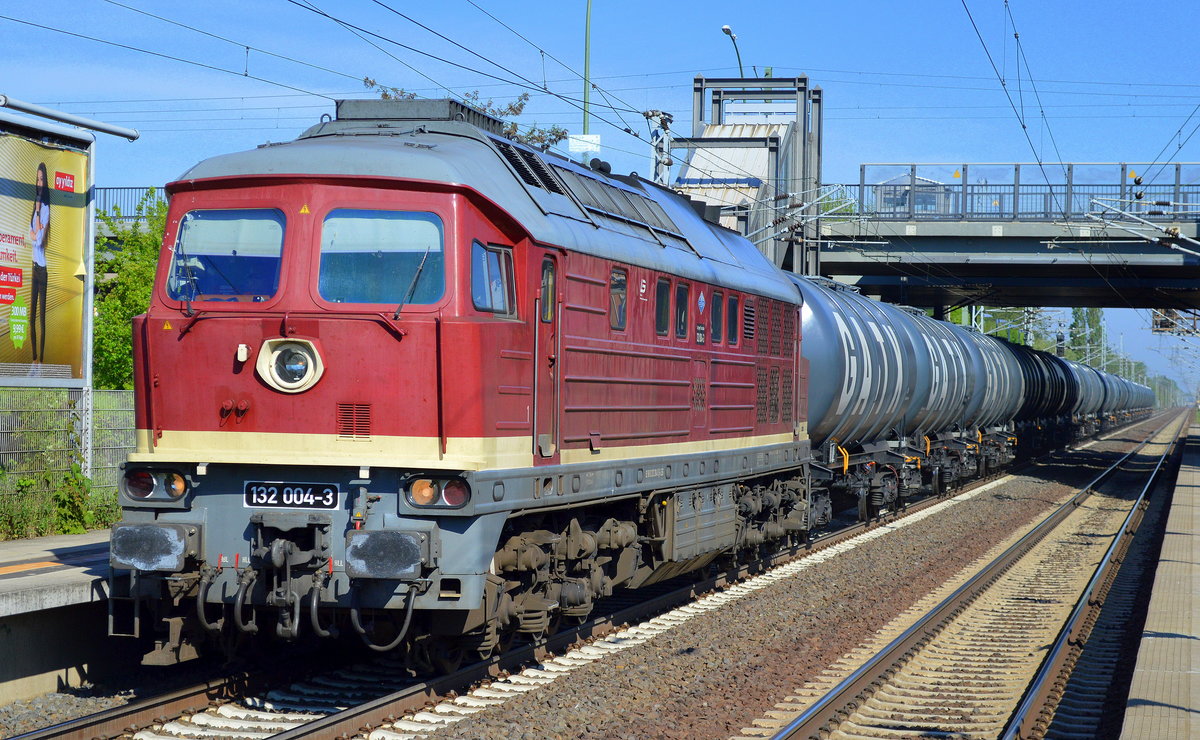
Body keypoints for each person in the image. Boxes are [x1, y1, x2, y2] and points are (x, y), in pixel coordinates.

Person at [27, 162, 50, 364]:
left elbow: (39, 239)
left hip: (42, 269)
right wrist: (35, 228)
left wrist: (36, 233)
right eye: (37, 179)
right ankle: (34, 358)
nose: (39, 182)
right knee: (30, 317)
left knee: (41, 318)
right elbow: (30, 236)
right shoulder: (35, 211)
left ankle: (41, 360)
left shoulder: (46, 209)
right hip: (33, 268)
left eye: (42, 179)